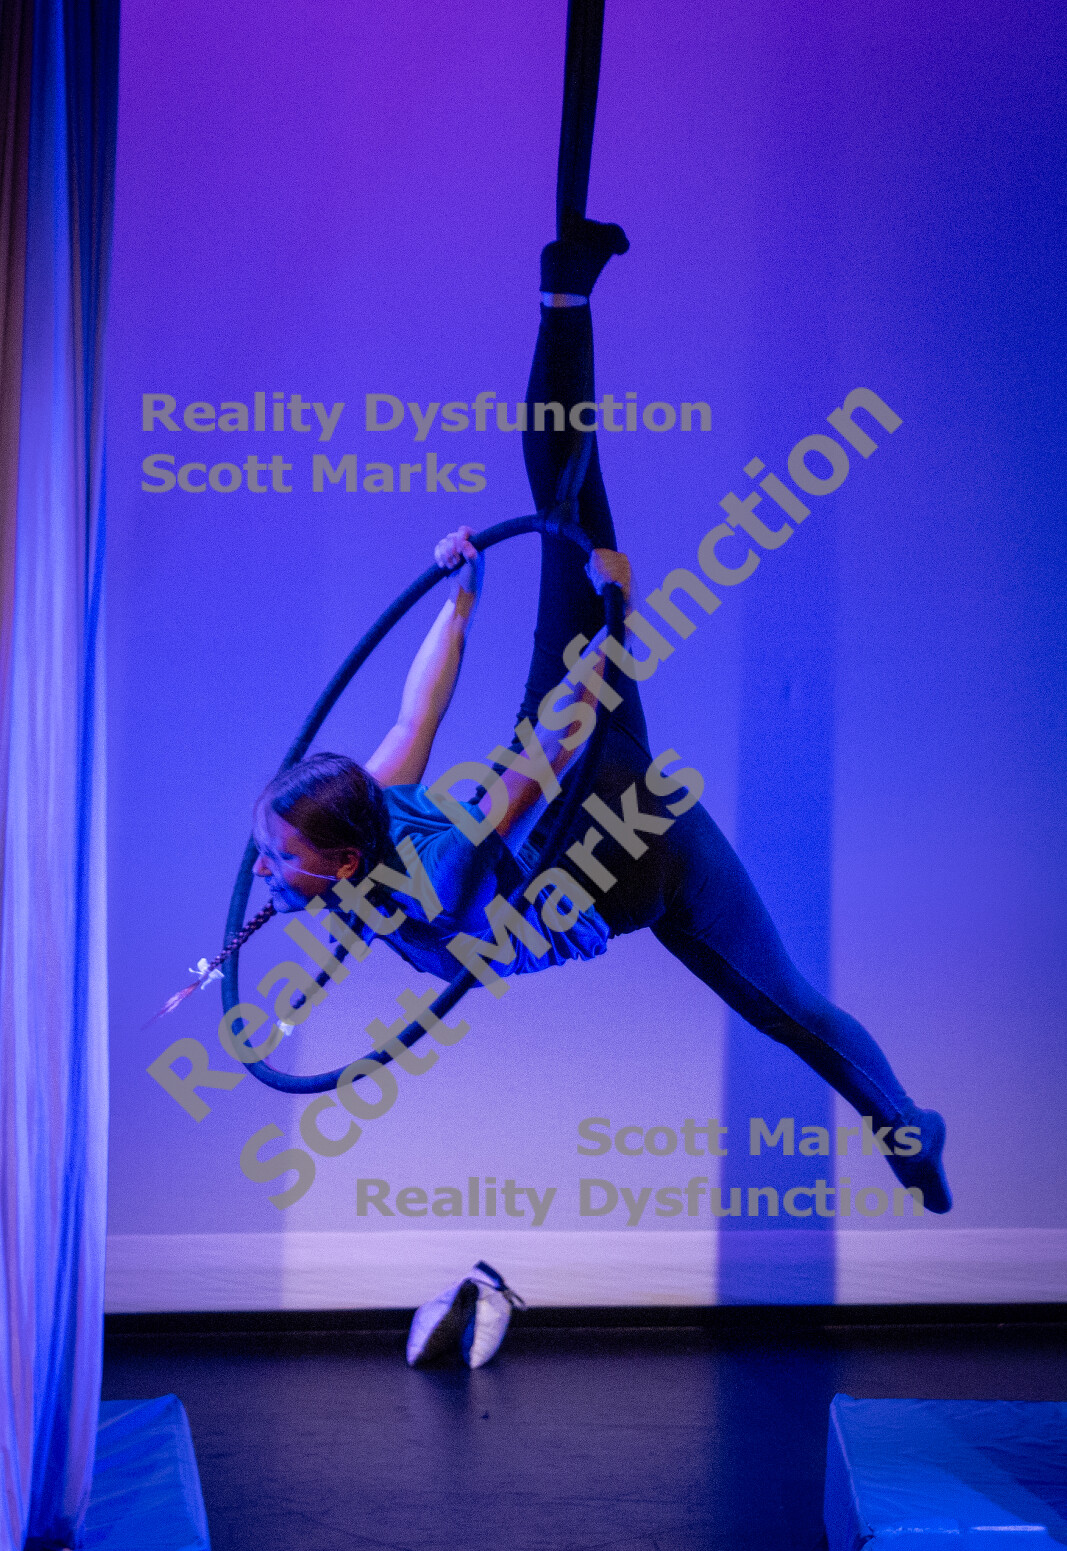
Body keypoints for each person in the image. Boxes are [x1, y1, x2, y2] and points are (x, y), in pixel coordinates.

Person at [246, 215, 952, 1213]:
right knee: (784, 1001)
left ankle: (562, 296)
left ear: (347, 848)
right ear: (347, 866)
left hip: (584, 796)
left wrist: (462, 596)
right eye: (272, 858)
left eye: (274, 854)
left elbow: (419, 719)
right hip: (617, 841)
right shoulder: (420, 884)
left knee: (567, 509)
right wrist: (614, 616)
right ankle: (904, 1123)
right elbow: (540, 759)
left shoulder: (383, 825)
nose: (263, 873)